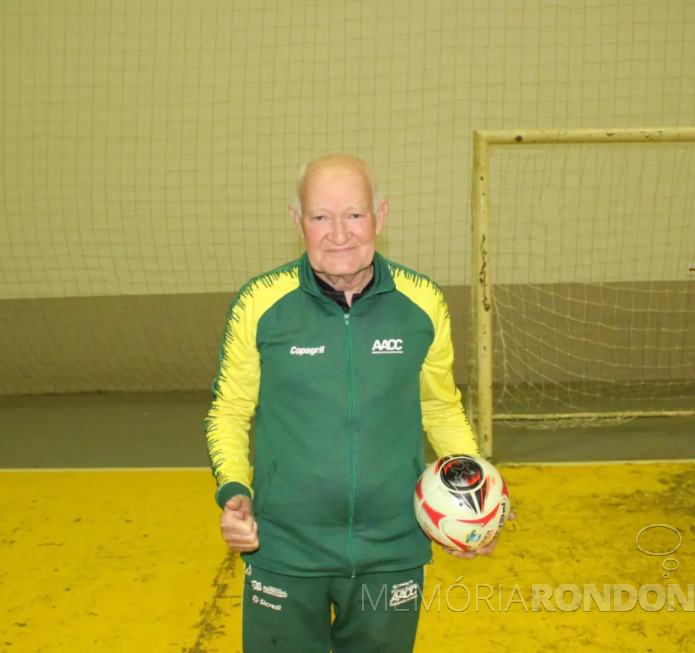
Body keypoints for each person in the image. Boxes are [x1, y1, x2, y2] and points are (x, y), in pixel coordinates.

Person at [204, 153, 503, 652]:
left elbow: (441, 408)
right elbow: (230, 411)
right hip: (284, 549)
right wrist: (234, 489)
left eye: (354, 214)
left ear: (380, 216)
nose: (338, 233)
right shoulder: (260, 303)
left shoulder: (423, 301)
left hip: (393, 548)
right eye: (321, 216)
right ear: (297, 222)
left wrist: (475, 496)